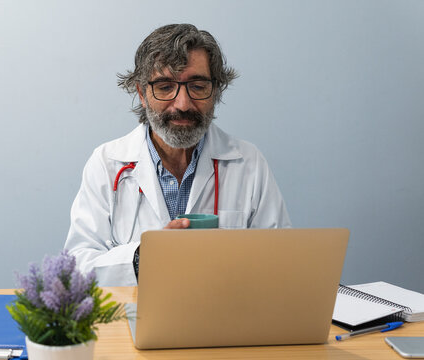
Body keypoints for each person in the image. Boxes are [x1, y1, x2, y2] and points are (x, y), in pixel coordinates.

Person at [64, 24, 291, 286]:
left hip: (224, 320)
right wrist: (141, 258)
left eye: (197, 86)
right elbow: (76, 267)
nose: (182, 104)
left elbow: (280, 261)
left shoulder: (248, 163)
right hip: (133, 320)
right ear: (142, 93)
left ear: (215, 91)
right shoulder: (106, 163)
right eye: (165, 86)